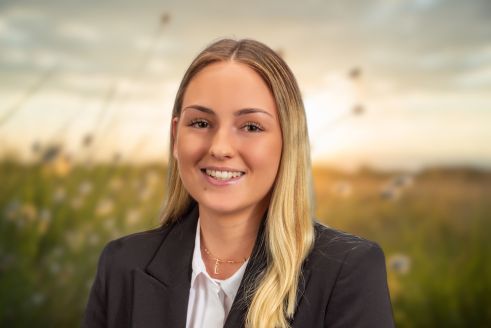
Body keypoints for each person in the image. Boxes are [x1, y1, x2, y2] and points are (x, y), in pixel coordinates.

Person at [83, 38, 395, 328]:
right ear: (176, 136)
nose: (220, 148)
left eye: (250, 126)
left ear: (289, 142)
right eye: (201, 123)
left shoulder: (348, 271)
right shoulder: (122, 265)